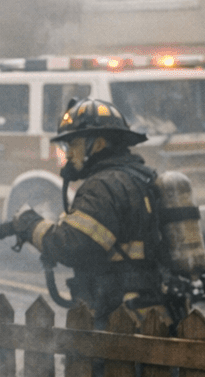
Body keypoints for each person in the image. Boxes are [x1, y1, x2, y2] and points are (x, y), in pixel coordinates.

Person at [11, 97, 182, 327]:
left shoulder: (102, 186)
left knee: (103, 365)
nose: (68, 154)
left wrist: (29, 223)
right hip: (150, 309)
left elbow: (73, 246)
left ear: (98, 143)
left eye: (73, 144)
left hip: (117, 315)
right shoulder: (141, 176)